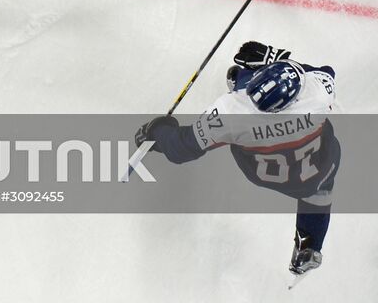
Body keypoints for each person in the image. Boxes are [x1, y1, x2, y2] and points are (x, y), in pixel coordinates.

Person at [135, 41, 339, 278]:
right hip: (318, 167)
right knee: (319, 188)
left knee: (237, 81)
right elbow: (324, 72)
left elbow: (181, 149)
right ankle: (309, 248)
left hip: (262, 172)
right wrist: (277, 61)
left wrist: (157, 132)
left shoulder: (231, 111)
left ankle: (245, 78)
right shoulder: (318, 92)